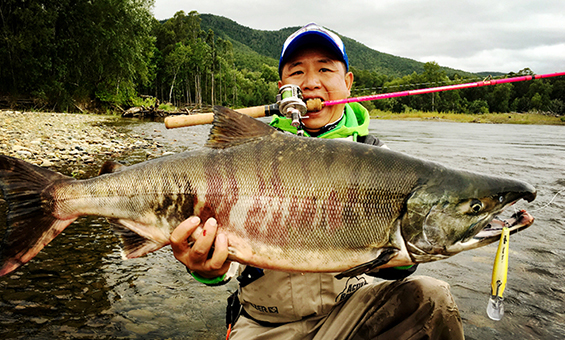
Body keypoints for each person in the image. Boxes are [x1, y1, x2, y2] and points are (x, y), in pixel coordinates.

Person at [170, 23, 464, 340]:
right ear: (282, 86)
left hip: (352, 315)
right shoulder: (247, 155)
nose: (311, 83)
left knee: (433, 298)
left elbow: (402, 261)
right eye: (297, 72)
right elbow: (223, 270)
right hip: (264, 325)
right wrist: (203, 268)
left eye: (325, 69)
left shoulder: (383, 161)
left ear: (347, 83)